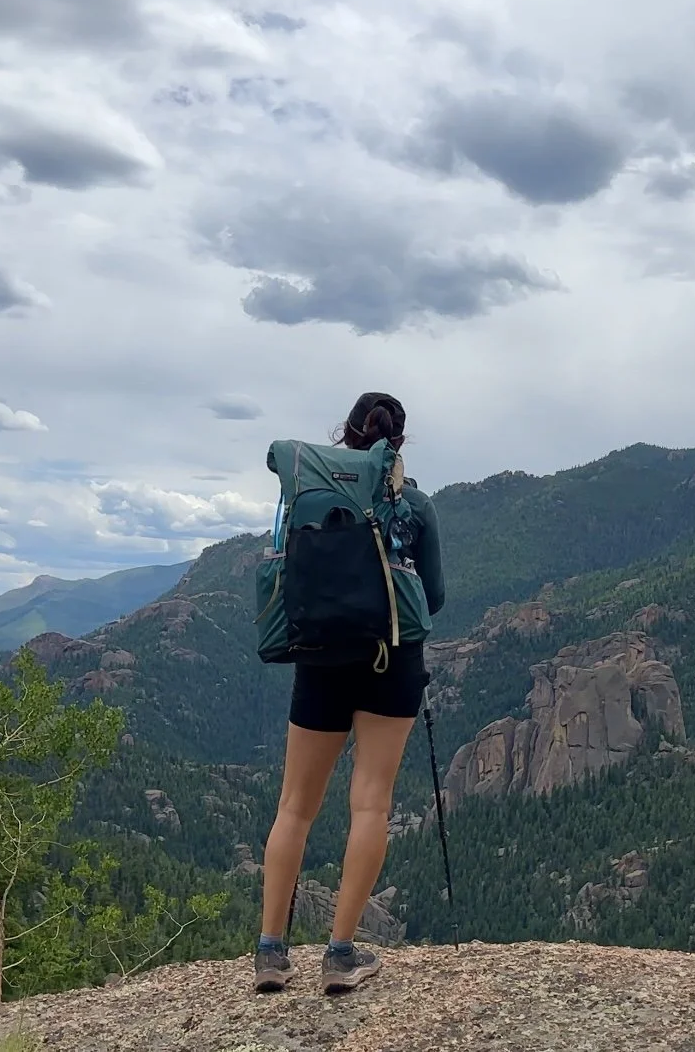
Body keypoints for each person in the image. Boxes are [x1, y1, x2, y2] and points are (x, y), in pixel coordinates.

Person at [254, 392, 446, 995]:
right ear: (398, 443)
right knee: (369, 803)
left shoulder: (305, 499)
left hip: (318, 659)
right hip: (392, 661)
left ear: (345, 435)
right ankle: (340, 955)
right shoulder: (413, 505)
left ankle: (270, 954)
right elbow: (433, 598)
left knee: (294, 807)